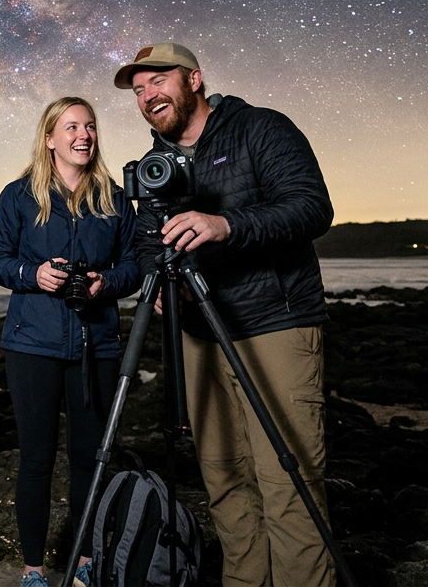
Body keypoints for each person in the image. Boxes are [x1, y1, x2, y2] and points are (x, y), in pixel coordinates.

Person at [116, 42, 336, 587]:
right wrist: (160, 284)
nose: (148, 95)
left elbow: (311, 206)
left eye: (158, 81)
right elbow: (148, 243)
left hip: (273, 323)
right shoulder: (155, 166)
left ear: (194, 78)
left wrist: (225, 225)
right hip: (198, 335)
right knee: (224, 478)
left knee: (289, 481)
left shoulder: (260, 128)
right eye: (139, 90)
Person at [0, 97, 142, 587]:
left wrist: (105, 284)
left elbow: (136, 266)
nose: (84, 134)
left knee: (90, 459)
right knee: (36, 457)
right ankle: (33, 570)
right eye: (72, 126)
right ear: (50, 137)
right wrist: (34, 274)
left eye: (90, 126)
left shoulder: (114, 198)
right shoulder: (19, 195)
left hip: (97, 346)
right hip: (32, 345)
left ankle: (85, 561)